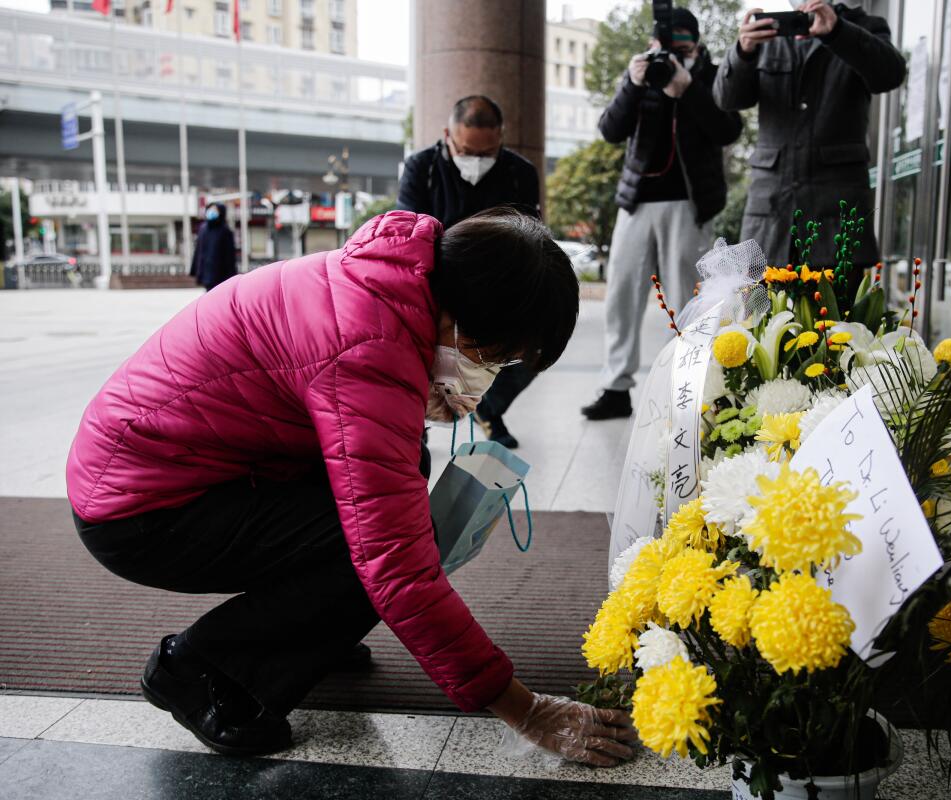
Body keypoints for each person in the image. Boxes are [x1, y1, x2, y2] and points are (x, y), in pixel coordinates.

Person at [66, 208, 637, 765]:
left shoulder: (390, 277)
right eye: (498, 355)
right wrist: (526, 710)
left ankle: (309, 634)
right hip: (140, 508)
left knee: (399, 482)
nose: (493, 371)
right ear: (462, 318)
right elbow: (396, 564)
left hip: (174, 467)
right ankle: (201, 670)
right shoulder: (370, 347)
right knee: (375, 550)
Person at [581, 8, 743, 421]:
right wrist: (634, 84)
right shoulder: (641, 72)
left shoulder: (711, 74)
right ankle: (616, 387)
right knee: (620, 294)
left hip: (689, 203)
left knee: (689, 295)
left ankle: (692, 384)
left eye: (679, 45)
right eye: (663, 45)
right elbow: (611, 129)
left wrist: (688, 89)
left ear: (694, 44)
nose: (669, 52)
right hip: (636, 201)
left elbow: (728, 130)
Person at [713, 1, 905, 270]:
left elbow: (890, 75)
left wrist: (837, 32)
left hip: (835, 211)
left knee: (839, 310)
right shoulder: (768, 33)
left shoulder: (863, 26)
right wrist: (742, 51)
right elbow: (726, 99)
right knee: (759, 309)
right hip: (771, 209)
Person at [398, 96, 541, 448]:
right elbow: (406, 234)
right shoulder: (421, 168)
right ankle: (412, 426)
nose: (476, 162)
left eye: (486, 153)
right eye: (467, 151)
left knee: (538, 344)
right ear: (448, 135)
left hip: (498, 287)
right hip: (436, 284)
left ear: (500, 139)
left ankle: (487, 409)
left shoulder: (520, 173)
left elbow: (530, 236)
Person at [190, 202, 237, 291]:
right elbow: (198, 250)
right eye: (210, 209)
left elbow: (229, 256)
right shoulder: (203, 229)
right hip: (205, 269)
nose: (211, 212)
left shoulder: (225, 231)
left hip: (219, 272)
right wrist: (195, 269)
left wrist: (231, 274)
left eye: (215, 210)